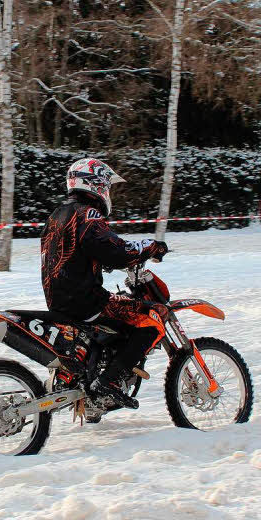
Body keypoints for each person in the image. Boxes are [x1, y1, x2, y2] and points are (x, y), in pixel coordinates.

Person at [40, 158, 168, 409]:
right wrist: (151, 247)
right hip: (86, 301)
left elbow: (81, 252)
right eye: (107, 185)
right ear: (95, 184)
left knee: (121, 316)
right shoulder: (87, 214)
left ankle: (91, 388)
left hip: (60, 298)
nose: (108, 192)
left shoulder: (57, 214)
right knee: (154, 316)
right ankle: (108, 383)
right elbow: (115, 249)